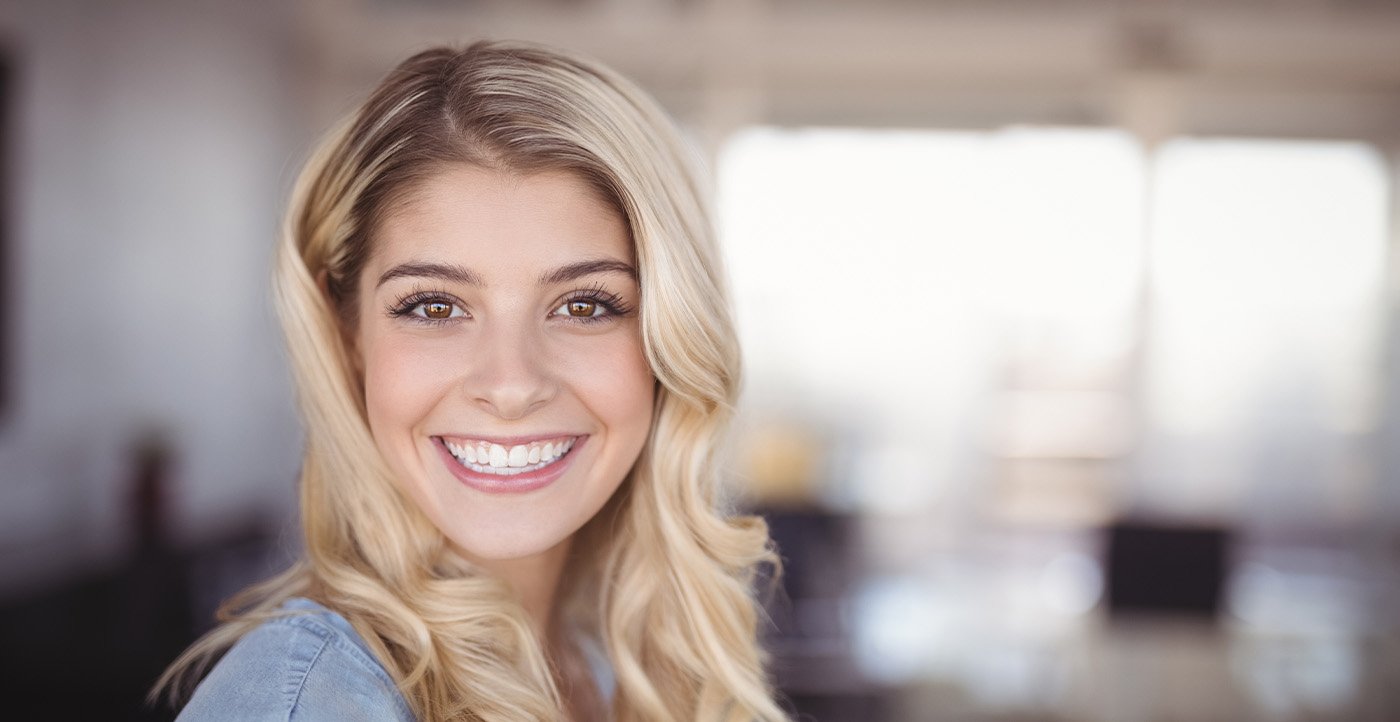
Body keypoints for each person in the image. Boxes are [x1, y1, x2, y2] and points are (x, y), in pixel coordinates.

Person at [155, 41, 787, 722]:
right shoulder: (307, 701)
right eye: (434, 307)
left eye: (585, 305)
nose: (511, 385)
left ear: (671, 332)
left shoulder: (604, 664)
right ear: (348, 336)